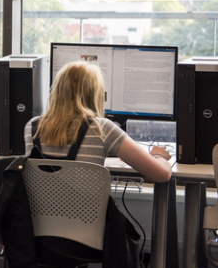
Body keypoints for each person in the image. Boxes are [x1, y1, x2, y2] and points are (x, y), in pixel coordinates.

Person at [24, 61, 172, 182]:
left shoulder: (32, 127)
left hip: (39, 218)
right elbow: (162, 175)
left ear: (57, 90)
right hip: (87, 218)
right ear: (95, 93)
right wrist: (158, 156)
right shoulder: (101, 128)